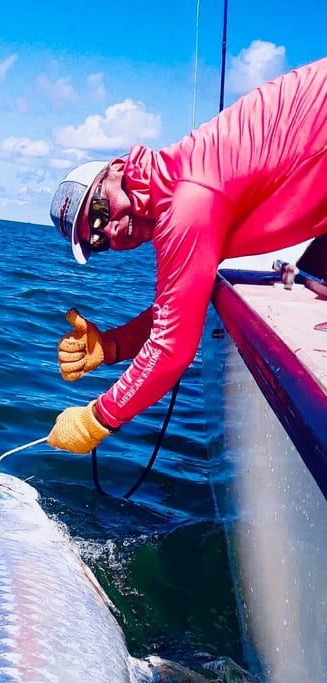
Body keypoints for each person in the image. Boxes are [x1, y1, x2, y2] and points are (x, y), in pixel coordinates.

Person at [46, 56, 327, 455]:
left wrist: (97, 419)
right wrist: (111, 346)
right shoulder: (174, 191)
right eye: (97, 240)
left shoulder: (187, 199)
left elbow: (172, 348)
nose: (108, 230)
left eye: (100, 211)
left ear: (116, 169)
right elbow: (174, 308)